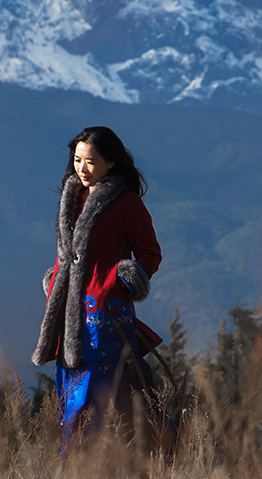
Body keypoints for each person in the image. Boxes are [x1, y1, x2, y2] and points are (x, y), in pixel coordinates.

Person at [32, 125, 168, 453]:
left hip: (106, 318)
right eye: (77, 160)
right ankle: (106, 472)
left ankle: (77, 475)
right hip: (68, 314)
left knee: (97, 399)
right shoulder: (72, 197)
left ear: (110, 162)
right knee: (71, 400)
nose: (82, 168)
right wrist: (55, 282)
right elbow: (67, 252)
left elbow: (150, 253)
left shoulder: (126, 204)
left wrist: (120, 282)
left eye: (91, 161)